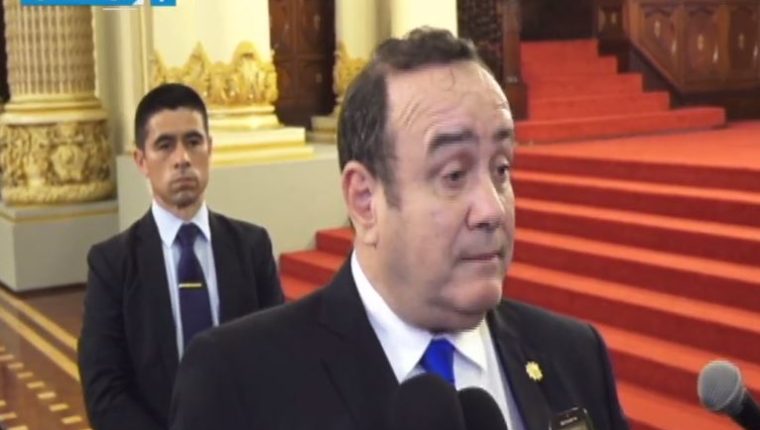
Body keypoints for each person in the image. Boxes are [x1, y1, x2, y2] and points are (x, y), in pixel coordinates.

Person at [170, 28, 629, 430]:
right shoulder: (237, 380)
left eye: (501, 169)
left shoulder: (576, 355)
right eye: (454, 174)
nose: (492, 209)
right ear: (365, 200)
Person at [78, 83, 284, 430]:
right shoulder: (111, 265)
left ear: (209, 148)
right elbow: (105, 389)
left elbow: (277, 359)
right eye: (165, 145)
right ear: (141, 161)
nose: (182, 159)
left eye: (193, 141)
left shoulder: (252, 247)